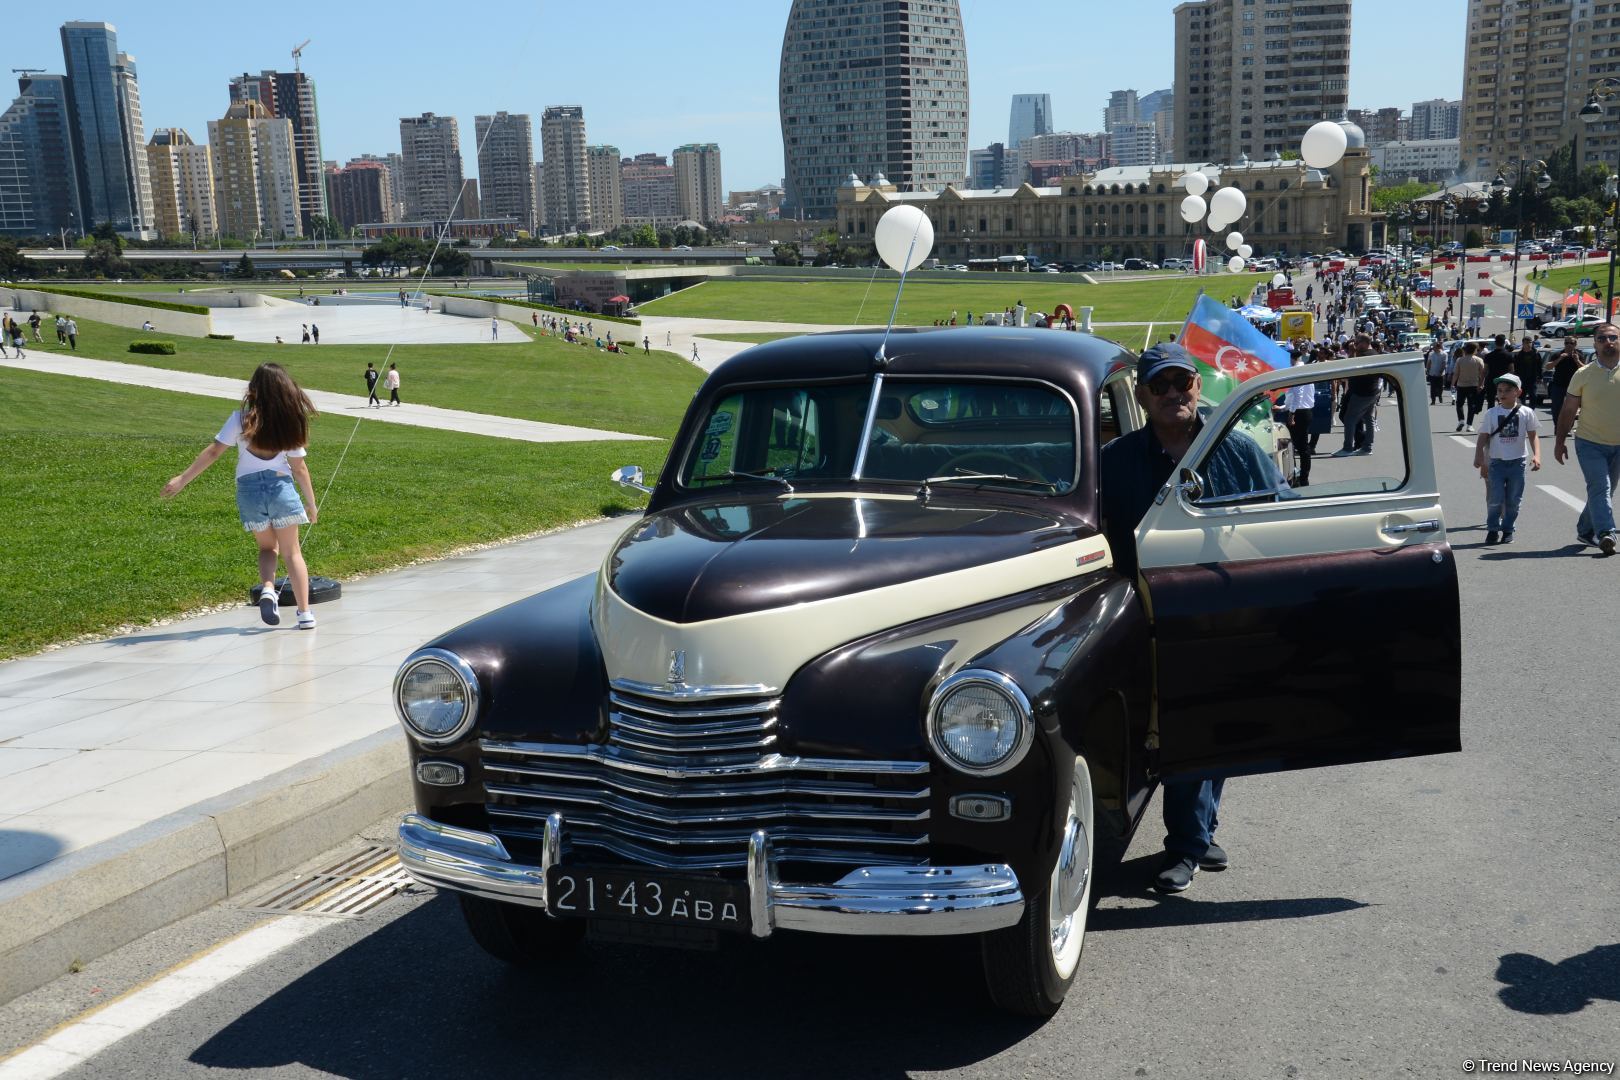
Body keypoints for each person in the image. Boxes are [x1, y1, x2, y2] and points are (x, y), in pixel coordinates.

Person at [1099, 343, 1275, 894]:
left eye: (1183, 383)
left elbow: (1279, 517)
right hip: (1151, 613)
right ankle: (1187, 844)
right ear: (1144, 394)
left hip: (1224, 609)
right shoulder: (1117, 461)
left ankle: (1201, 831)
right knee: (1179, 729)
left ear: (1198, 386)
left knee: (1216, 725)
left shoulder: (1239, 451)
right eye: (1161, 386)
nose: (1174, 394)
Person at [161, 363, 320, 630]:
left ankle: (268, 588)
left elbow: (213, 452)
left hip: (249, 493)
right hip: (281, 489)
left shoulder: (240, 419)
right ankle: (304, 615)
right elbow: (300, 469)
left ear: (255, 390)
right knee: (292, 553)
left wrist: (182, 479)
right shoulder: (290, 422)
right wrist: (311, 504)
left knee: (267, 549)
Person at [1554, 321, 1620, 553]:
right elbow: (1569, 410)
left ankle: (1585, 529)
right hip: (1590, 442)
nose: (1608, 342)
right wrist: (1560, 441)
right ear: (1594, 344)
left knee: (1604, 490)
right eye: (1602, 339)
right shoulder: (1583, 374)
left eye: (1612, 337)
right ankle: (1606, 533)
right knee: (1600, 486)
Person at [1474, 373, 1541, 545]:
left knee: (1513, 500)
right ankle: (1492, 529)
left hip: (1518, 463)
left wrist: (1537, 455)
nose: (1502, 393)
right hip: (1497, 463)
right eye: (1499, 390)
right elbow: (1483, 437)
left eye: (1508, 390)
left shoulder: (1526, 413)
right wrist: (1479, 455)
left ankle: (1508, 529)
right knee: (1495, 499)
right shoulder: (1492, 413)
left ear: (1518, 392)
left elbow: (1533, 436)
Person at [1548, 336, 1585, 429]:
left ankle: (1568, 427)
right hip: (1558, 385)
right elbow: (1548, 366)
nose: (1569, 345)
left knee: (1571, 408)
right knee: (1556, 407)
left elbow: (1585, 369)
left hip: (1573, 386)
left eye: (1571, 343)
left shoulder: (1579, 355)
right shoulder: (1558, 354)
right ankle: (1558, 426)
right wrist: (1559, 359)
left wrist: (1577, 360)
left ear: (1575, 345)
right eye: (1566, 343)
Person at [1452, 341, 1487, 431]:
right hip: (1473, 385)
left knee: (1459, 404)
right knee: (1471, 405)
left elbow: (1456, 373)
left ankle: (1461, 420)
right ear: (1475, 350)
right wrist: (1481, 384)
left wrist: (1453, 384)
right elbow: (1482, 374)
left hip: (1461, 385)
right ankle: (1469, 425)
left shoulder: (1460, 360)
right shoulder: (1479, 360)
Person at [1512, 337, 1540, 409]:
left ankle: (1531, 411)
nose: (1528, 344)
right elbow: (1515, 367)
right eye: (1526, 343)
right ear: (1523, 344)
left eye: (1529, 342)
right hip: (1521, 379)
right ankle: (1522, 410)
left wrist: (1540, 377)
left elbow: (1539, 366)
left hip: (1532, 378)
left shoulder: (1536, 354)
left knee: (1533, 396)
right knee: (1521, 396)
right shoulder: (1518, 355)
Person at [1425, 340, 1448, 405]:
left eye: (1435, 347)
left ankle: (1440, 395)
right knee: (1433, 387)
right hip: (1432, 373)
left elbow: (1444, 363)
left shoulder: (1444, 354)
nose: (1433, 349)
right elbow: (1429, 362)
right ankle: (1433, 400)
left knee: (1440, 387)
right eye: (1433, 347)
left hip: (1440, 374)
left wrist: (1441, 371)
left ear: (1439, 347)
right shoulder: (1431, 354)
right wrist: (1427, 370)